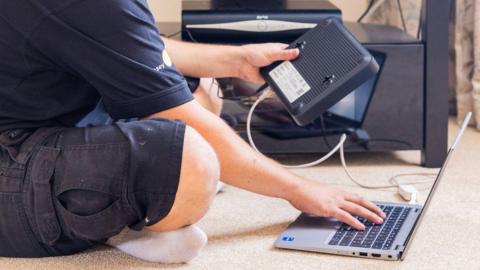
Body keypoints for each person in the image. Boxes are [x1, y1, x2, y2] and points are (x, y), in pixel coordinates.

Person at [0, 0, 385, 263]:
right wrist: (301, 189)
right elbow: (177, 115)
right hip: (10, 160)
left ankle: (131, 203)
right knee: (191, 158)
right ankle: (125, 227)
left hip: (40, 116)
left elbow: (131, 45)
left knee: (203, 91)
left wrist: (238, 59)